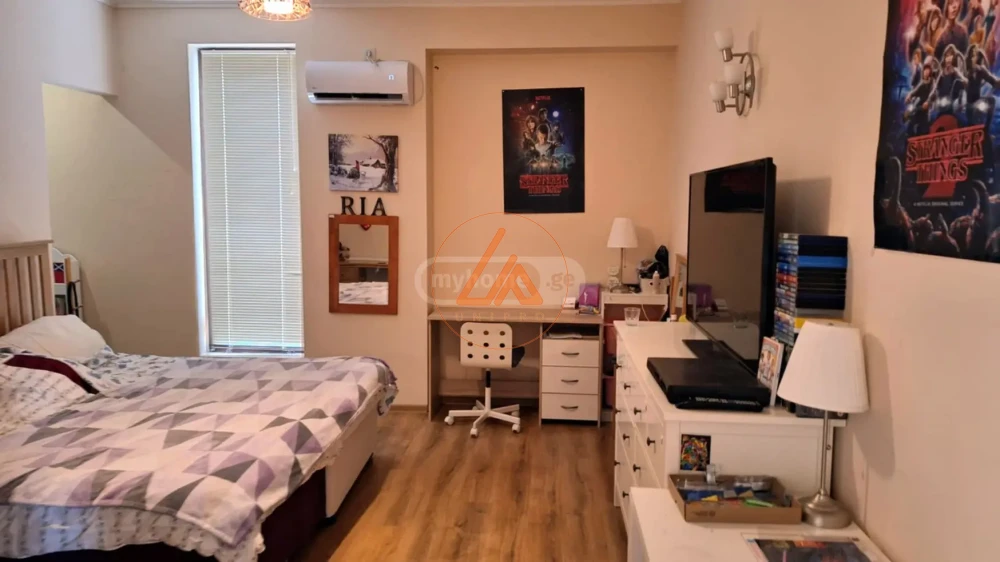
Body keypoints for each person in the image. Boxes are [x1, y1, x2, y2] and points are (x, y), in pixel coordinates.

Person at [905, 61, 938, 134]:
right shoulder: (922, 82)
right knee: (911, 121)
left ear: (930, 72)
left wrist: (928, 102)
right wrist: (909, 95)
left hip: (927, 107)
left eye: (928, 70)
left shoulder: (932, 82)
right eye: (925, 70)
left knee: (925, 128)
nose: (926, 72)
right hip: (919, 106)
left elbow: (933, 93)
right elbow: (915, 91)